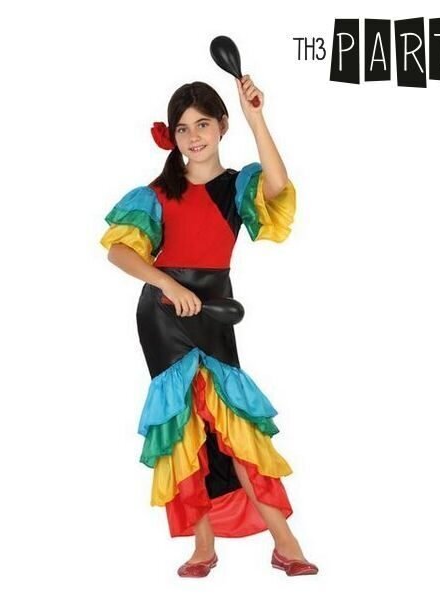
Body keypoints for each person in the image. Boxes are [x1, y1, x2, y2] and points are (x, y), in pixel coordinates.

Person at [99, 76, 318, 577]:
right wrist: (166, 284)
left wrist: (256, 116)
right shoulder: (156, 193)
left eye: (202, 124)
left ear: (222, 126)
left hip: (214, 311)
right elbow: (119, 251)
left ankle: (286, 542)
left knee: (238, 424)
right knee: (183, 429)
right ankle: (202, 546)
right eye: (182, 128)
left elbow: (278, 185)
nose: (193, 136)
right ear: (172, 136)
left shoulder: (237, 186)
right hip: (163, 315)